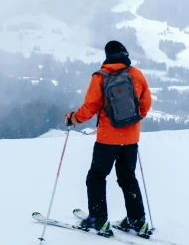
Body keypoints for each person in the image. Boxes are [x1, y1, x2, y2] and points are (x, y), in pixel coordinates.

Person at [65, 40, 152, 236]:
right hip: (131, 139)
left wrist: (73, 119)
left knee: (96, 177)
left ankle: (97, 218)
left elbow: (90, 107)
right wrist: (132, 123)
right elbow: (145, 105)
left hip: (107, 139)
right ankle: (137, 220)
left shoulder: (100, 77)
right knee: (128, 178)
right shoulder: (136, 74)